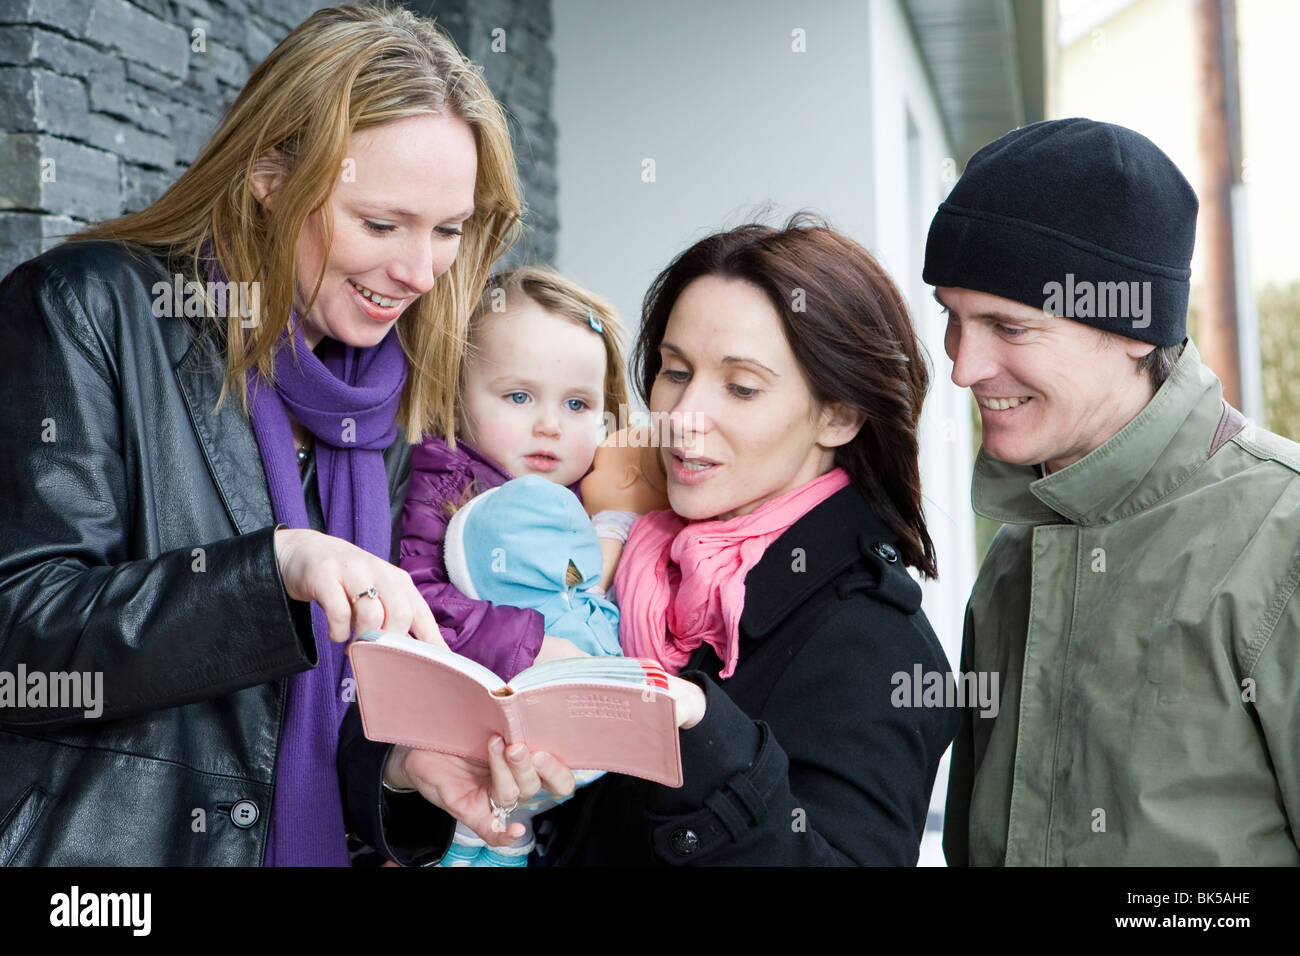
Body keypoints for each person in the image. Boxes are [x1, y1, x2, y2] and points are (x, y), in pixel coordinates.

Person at [0, 4, 571, 867]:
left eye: (447, 230)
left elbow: (296, 728)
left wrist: (400, 773)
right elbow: (20, 638)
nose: (419, 272)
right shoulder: (88, 308)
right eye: (381, 224)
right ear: (270, 172)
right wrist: (272, 571)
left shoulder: (383, 399)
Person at [926, 118, 1300, 865]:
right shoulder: (1012, 560)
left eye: (1009, 326)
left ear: (1134, 324)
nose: (963, 367)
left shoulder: (1283, 539)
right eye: (952, 319)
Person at [536, 215, 961, 866]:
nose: (681, 417)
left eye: (740, 387)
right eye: (675, 372)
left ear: (839, 414)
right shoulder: (623, 556)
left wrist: (704, 730)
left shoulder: (876, 647)